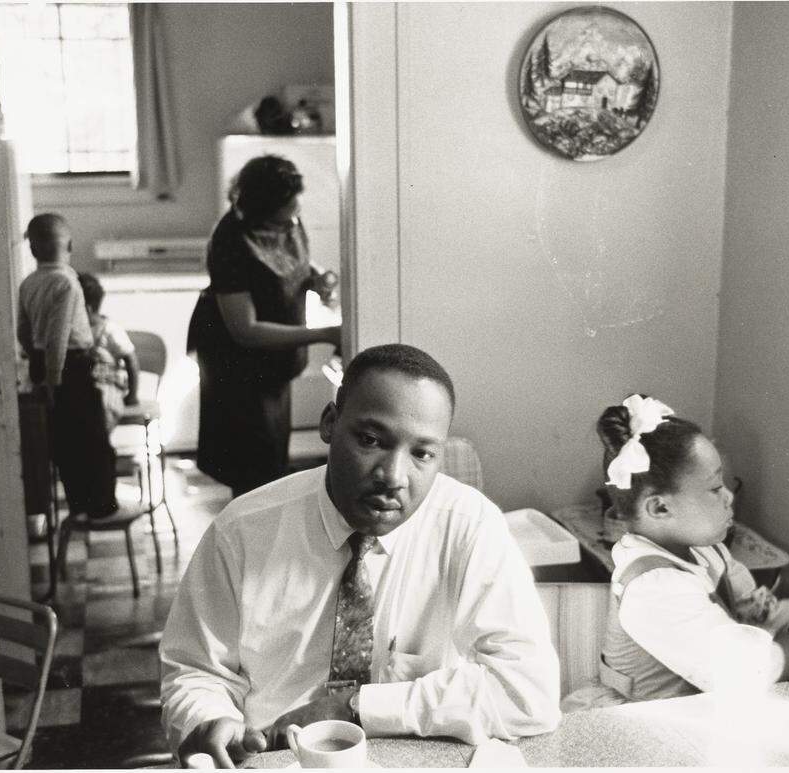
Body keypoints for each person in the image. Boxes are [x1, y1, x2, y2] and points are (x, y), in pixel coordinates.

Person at [159, 344, 561, 768]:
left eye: (422, 453)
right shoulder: (241, 530)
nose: (393, 476)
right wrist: (210, 719)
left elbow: (528, 692)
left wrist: (354, 707)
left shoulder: (469, 525)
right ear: (330, 423)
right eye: (370, 440)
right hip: (272, 757)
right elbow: (194, 670)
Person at [562, 393, 789, 711]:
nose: (729, 496)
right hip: (640, 725)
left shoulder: (705, 553)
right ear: (660, 509)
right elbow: (755, 675)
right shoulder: (653, 589)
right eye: (715, 487)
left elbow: (765, 620)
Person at [187, 154, 341, 499]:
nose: (292, 226)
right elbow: (246, 329)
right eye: (283, 220)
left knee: (272, 460)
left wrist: (313, 276)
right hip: (237, 369)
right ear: (260, 213)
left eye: (295, 214)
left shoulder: (287, 216)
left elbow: (287, 259)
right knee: (253, 473)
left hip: (274, 366)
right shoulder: (230, 241)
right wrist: (325, 334)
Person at [16, 214, 121, 520]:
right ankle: (102, 504)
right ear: (71, 245)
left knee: (64, 442)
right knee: (93, 437)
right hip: (69, 368)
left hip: (41, 362)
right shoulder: (68, 283)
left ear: (33, 250)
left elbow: (23, 330)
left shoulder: (28, 283)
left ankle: (77, 502)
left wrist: (36, 361)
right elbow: (59, 336)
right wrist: (53, 379)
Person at [77, 272, 140, 433]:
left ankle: (100, 444)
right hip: (85, 384)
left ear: (87, 309)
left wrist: (132, 395)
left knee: (104, 406)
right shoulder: (76, 331)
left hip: (109, 384)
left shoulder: (110, 330)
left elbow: (131, 360)